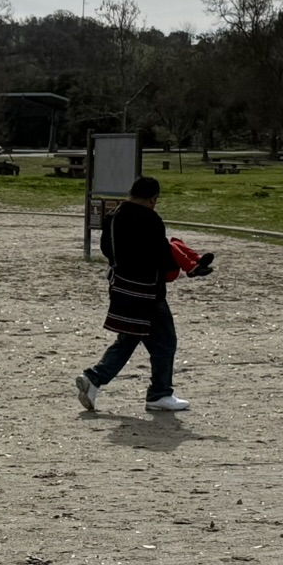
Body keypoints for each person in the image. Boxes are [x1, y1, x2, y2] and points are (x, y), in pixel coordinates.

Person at [75, 175, 199, 414]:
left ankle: (93, 379)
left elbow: (105, 249)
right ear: (153, 199)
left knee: (129, 338)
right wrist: (186, 265)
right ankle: (160, 394)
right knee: (165, 342)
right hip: (147, 292)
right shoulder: (150, 219)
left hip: (121, 287)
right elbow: (163, 255)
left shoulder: (113, 216)